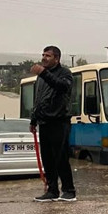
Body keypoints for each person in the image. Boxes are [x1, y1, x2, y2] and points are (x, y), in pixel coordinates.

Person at [29, 46, 76, 202]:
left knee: (60, 157)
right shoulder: (40, 78)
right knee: (47, 158)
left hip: (59, 121)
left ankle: (69, 191)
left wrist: (43, 72)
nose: (44, 58)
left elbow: (62, 87)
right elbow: (38, 99)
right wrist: (33, 120)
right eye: (43, 54)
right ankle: (52, 191)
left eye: (48, 55)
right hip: (44, 122)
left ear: (57, 58)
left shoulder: (65, 73)